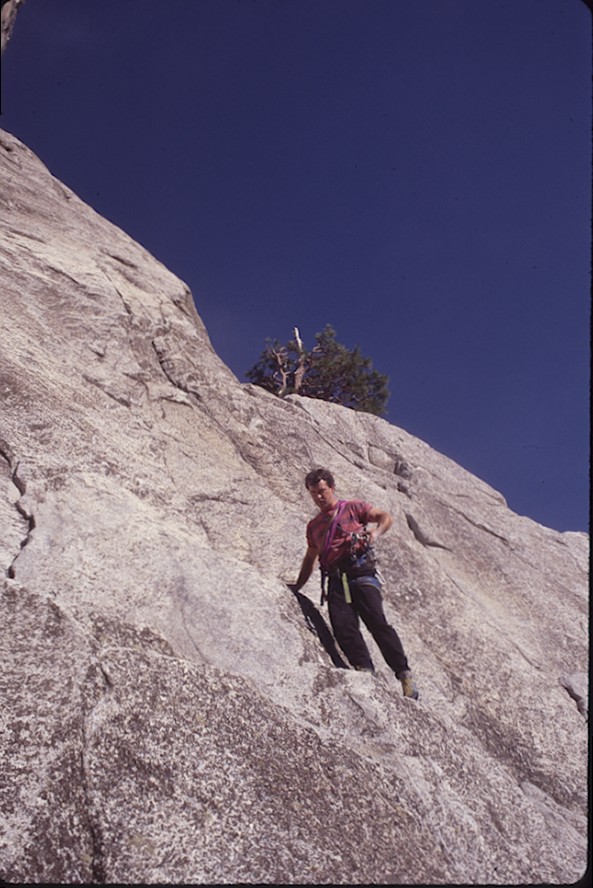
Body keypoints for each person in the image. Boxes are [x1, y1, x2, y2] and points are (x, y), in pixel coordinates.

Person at [290, 467, 418, 699]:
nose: (318, 496)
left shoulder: (353, 507)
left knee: (377, 622)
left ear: (331, 488)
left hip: (360, 571)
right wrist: (298, 586)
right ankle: (365, 670)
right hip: (336, 578)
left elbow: (385, 517)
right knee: (342, 626)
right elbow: (310, 558)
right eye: (313, 493)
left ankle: (403, 674)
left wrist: (375, 533)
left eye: (321, 491)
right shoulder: (314, 526)